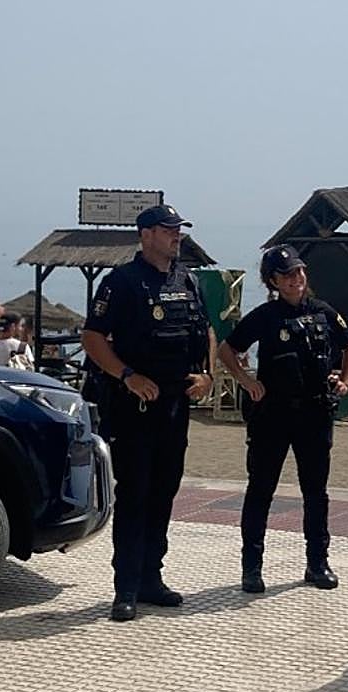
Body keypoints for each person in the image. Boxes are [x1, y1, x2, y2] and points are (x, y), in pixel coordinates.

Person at [81, 203, 215, 623]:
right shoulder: (120, 282)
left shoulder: (187, 280)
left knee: (164, 492)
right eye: (168, 229)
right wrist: (127, 375)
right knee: (135, 494)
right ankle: (126, 588)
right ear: (146, 235)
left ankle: (151, 578)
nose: (177, 236)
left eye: (178, 230)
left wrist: (206, 375)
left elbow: (205, 331)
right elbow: (92, 337)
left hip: (176, 406)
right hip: (134, 407)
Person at [217, 244, 348, 594]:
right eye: (286, 275)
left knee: (316, 493)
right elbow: (226, 349)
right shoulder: (265, 317)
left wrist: (344, 378)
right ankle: (251, 568)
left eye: (299, 272)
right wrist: (246, 381)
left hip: (314, 415)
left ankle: (317, 563)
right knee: (260, 492)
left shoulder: (323, 312)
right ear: (273, 282)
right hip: (273, 416)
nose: (295, 279)